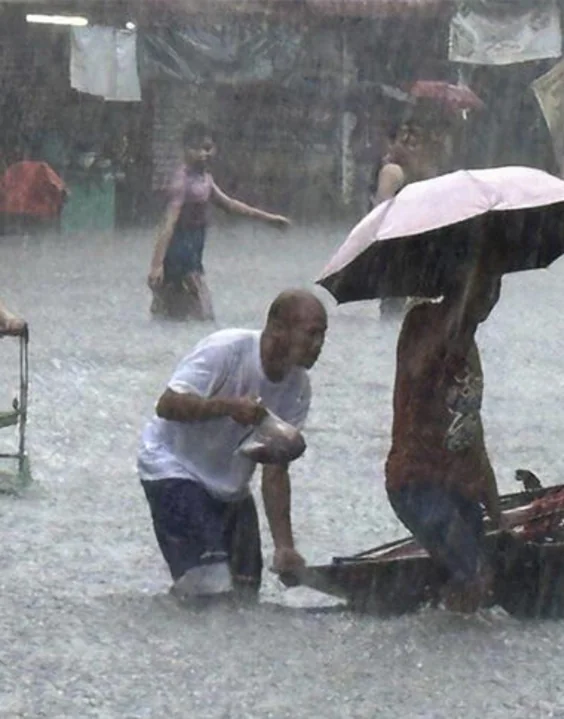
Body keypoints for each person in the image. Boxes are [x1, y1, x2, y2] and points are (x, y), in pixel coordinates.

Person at [137, 289, 327, 603]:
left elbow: (276, 470)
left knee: (245, 593)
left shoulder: (298, 389)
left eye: (323, 336)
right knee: (210, 585)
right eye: (311, 334)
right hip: (172, 466)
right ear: (278, 329)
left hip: (230, 488)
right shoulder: (226, 349)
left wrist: (284, 546)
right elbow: (167, 404)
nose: (318, 345)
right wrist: (228, 407)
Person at [385, 243, 506, 613]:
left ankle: (444, 635)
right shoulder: (422, 320)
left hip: (461, 487)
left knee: (474, 584)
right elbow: (419, 368)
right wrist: (458, 311)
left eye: (496, 285)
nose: (491, 295)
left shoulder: (471, 349)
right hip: (418, 482)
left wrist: (497, 512)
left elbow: (472, 431)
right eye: (483, 284)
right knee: (475, 579)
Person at [147, 122, 290, 322]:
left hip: (195, 245)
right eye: (197, 149)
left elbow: (230, 206)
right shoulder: (181, 182)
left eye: (207, 149)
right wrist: (156, 265)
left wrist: (269, 219)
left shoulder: (205, 178)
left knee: (175, 309)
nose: (203, 154)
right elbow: (167, 224)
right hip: (179, 248)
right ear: (185, 150)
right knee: (201, 308)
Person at [371, 101, 454, 319]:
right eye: (406, 141)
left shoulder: (423, 173)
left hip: (421, 254)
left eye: (416, 143)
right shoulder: (393, 172)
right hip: (398, 255)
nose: (411, 147)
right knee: (396, 311)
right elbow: (381, 210)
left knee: (419, 313)